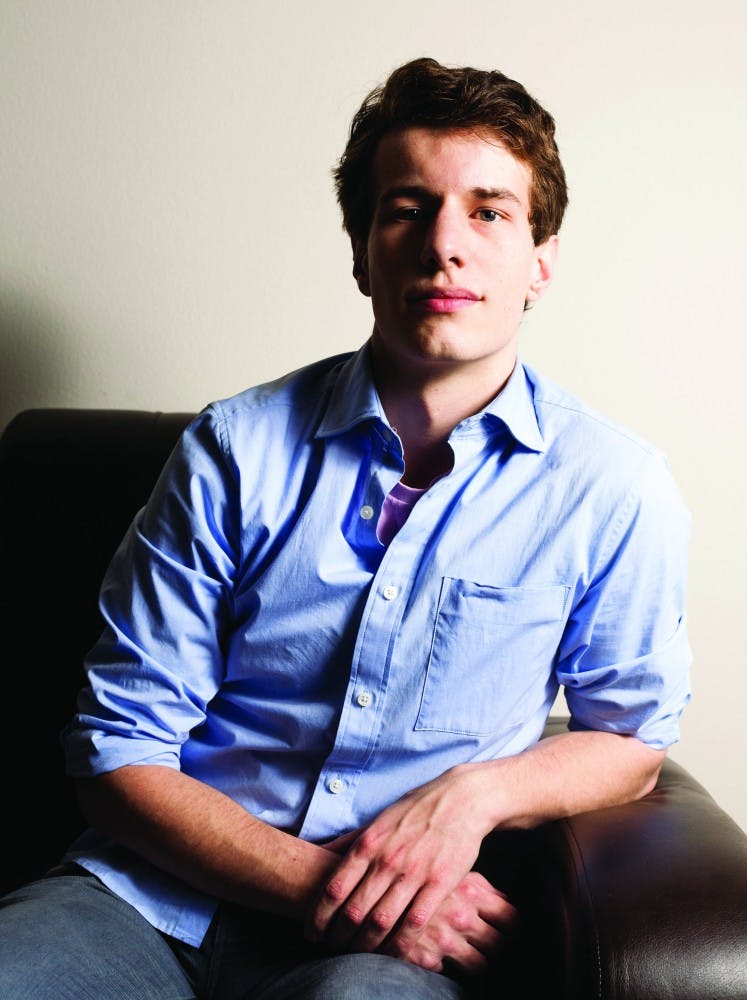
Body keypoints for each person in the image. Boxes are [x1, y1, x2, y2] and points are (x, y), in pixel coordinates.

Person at [0, 57, 691, 998]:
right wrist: (330, 887)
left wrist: (474, 795)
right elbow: (117, 748)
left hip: (383, 956)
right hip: (153, 902)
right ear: (362, 251)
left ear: (541, 261)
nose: (443, 246)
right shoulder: (233, 449)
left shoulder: (612, 487)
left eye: (488, 212)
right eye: (406, 209)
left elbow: (632, 737)